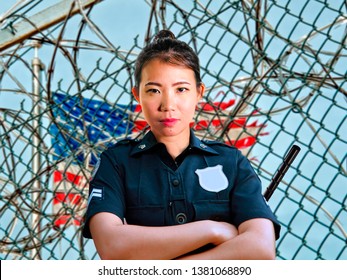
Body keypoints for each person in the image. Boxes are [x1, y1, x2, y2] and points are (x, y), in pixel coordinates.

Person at [82, 30, 280, 260]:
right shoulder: (117, 162)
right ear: (137, 95)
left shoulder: (230, 162)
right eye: (154, 90)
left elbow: (260, 249)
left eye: (181, 89)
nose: (168, 104)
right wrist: (212, 230)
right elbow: (112, 246)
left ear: (199, 93)